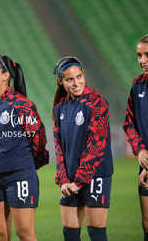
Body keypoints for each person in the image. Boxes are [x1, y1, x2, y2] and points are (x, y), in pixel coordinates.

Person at [0, 55, 49, 241]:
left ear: (5, 76)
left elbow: (39, 140)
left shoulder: (22, 106)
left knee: (24, 234)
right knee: (0, 235)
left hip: (19, 176)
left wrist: (25, 165)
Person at [52, 56, 113, 241]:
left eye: (79, 77)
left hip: (95, 176)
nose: (76, 82)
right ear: (60, 82)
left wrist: (79, 181)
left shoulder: (97, 103)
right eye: (70, 79)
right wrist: (63, 179)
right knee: (69, 234)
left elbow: (96, 146)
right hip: (70, 180)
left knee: (96, 232)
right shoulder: (60, 107)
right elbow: (59, 147)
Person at [123, 34, 148, 241]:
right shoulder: (138, 85)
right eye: (139, 55)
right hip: (146, 165)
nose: (142, 60)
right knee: (147, 224)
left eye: (147, 55)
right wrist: (139, 149)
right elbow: (129, 123)